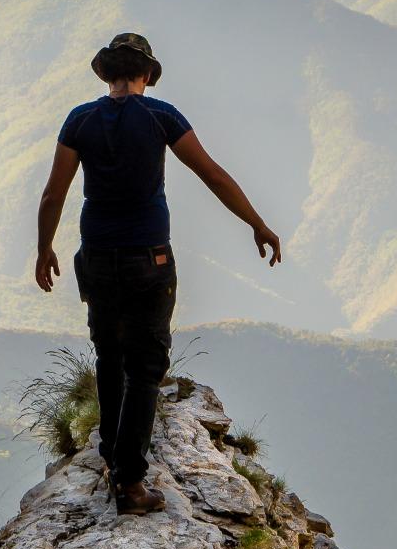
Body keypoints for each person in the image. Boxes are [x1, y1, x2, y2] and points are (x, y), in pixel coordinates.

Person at [35, 32, 282, 514]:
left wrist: (44, 248)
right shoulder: (161, 116)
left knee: (109, 354)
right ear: (147, 73)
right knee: (145, 368)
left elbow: (53, 194)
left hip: (97, 255)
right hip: (149, 258)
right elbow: (213, 174)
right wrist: (258, 224)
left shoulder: (79, 120)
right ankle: (129, 483)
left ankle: (111, 456)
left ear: (107, 72)